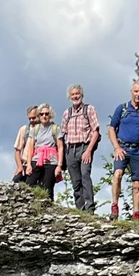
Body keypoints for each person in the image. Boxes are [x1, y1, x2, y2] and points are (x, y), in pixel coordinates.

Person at [108, 81, 139, 221]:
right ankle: (114, 207)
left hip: (138, 149)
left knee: (137, 184)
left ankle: (136, 214)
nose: (138, 94)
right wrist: (116, 147)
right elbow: (111, 128)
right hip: (122, 148)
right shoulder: (122, 109)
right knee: (117, 175)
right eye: (136, 91)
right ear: (131, 92)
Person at [60, 84, 101, 213]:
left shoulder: (89, 109)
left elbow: (96, 131)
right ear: (69, 97)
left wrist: (89, 150)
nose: (75, 96)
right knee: (75, 181)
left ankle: (90, 209)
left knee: (85, 176)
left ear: (81, 95)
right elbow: (62, 134)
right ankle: (80, 210)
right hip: (70, 149)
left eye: (77, 94)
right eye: (72, 94)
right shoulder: (67, 113)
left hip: (85, 147)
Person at [24, 103, 62, 200]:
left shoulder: (55, 128)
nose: (44, 116)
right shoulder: (35, 129)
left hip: (51, 161)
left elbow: (60, 147)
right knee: (29, 184)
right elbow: (30, 147)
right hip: (37, 159)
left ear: (50, 115)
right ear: (38, 115)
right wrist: (28, 164)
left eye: (46, 114)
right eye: (41, 114)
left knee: (48, 187)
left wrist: (59, 166)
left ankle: (49, 209)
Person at [13, 104, 41, 181]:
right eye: (30, 118)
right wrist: (19, 166)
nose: (32, 120)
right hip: (25, 164)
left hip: (37, 164)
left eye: (34, 118)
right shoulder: (24, 130)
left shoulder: (44, 130)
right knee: (15, 183)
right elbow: (17, 151)